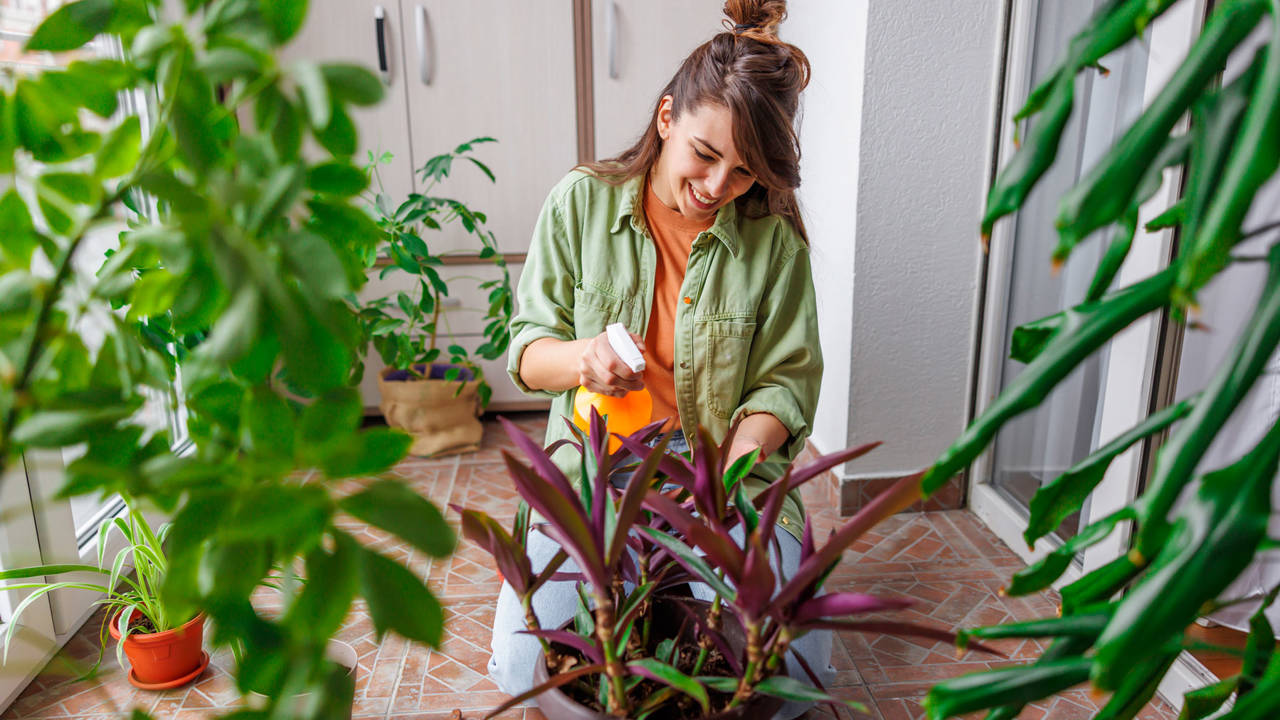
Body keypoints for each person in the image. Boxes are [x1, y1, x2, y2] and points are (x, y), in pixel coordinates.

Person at [492, 1, 830, 717]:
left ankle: (690, 580)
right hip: (597, 469)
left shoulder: (773, 245)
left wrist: (725, 478)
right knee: (526, 666)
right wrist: (584, 358)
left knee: (793, 671)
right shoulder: (581, 204)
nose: (715, 189)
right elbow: (526, 352)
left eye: (742, 174)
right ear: (667, 116)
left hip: (719, 472)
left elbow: (785, 384)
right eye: (705, 156)